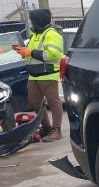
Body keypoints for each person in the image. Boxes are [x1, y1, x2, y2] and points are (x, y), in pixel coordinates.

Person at [12, 8, 64, 141]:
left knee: (53, 102)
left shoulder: (51, 34)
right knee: (34, 102)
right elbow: (32, 53)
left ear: (38, 20)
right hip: (34, 75)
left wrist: (30, 52)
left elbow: (53, 54)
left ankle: (57, 130)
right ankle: (46, 128)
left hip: (48, 74)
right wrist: (23, 51)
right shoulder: (35, 34)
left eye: (32, 20)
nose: (31, 22)